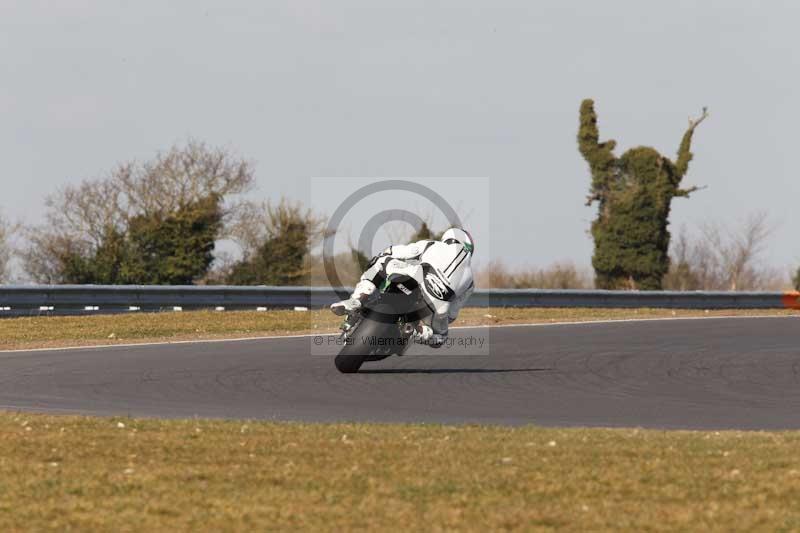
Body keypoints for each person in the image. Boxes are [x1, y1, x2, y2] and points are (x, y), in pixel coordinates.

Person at [331, 227, 475, 346]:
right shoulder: (470, 284)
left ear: (448, 238)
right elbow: (452, 315)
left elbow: (398, 251)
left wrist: (385, 255)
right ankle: (417, 331)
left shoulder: (433, 245)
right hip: (438, 306)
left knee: (381, 262)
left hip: (418, 278)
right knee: (440, 338)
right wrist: (437, 322)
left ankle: (357, 300)